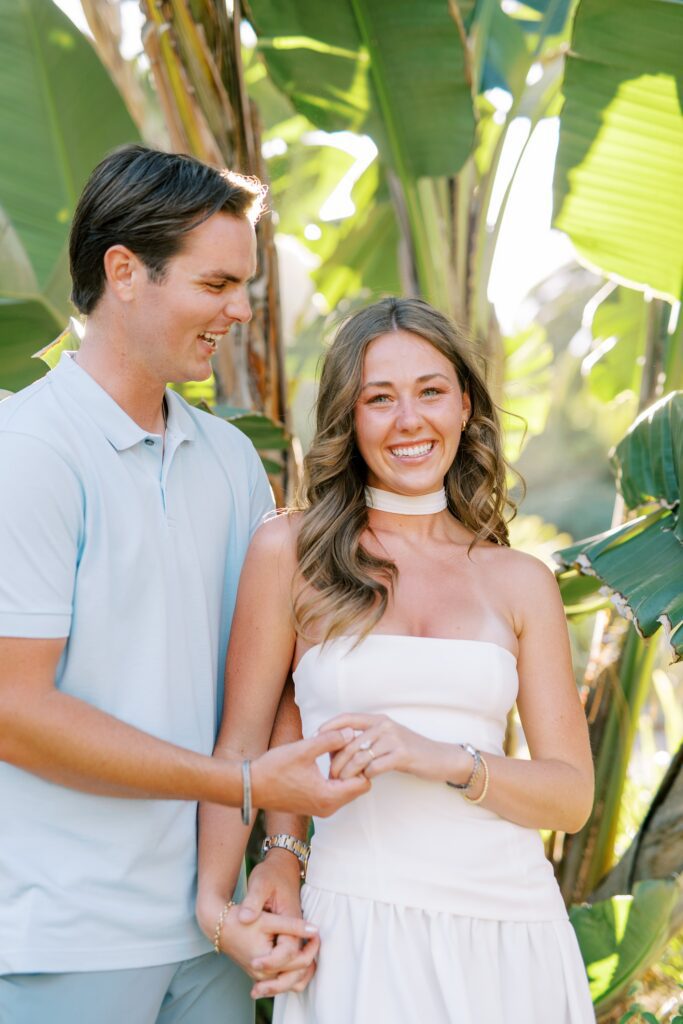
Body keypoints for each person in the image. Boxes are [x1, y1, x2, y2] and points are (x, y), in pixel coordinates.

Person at [0, 145, 368, 1024]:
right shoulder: (28, 455)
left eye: (243, 286)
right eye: (215, 286)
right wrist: (239, 786)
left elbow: (273, 677)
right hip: (65, 939)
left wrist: (277, 848)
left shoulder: (232, 461)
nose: (239, 311)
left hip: (219, 934)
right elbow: (14, 710)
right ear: (124, 273)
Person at [199, 297, 597, 1022]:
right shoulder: (290, 552)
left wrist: (437, 756)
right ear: (348, 420)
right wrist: (249, 876)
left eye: (430, 392)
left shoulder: (518, 580)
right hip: (357, 924)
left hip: (512, 933)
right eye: (378, 399)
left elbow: (569, 797)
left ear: (465, 405)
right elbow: (246, 744)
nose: (408, 420)